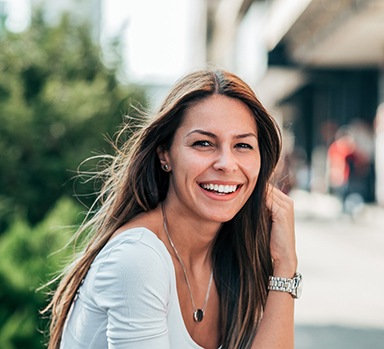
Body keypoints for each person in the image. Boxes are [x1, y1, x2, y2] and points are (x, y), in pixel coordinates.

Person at [44, 69, 301, 349]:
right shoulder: (138, 258)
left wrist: (285, 266)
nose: (227, 163)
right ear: (165, 154)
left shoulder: (232, 254)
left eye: (242, 145)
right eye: (203, 143)